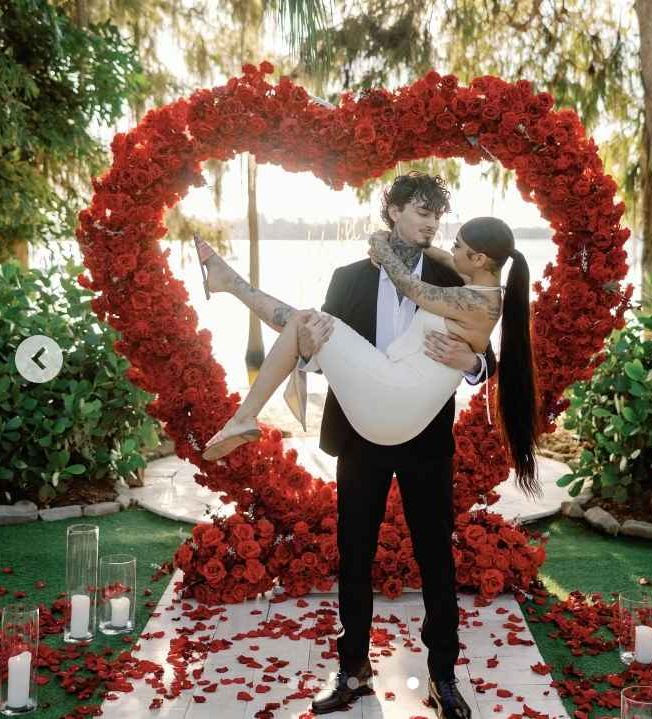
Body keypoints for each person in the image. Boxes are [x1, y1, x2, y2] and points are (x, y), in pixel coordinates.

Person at [193, 172, 540, 719]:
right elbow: (318, 350)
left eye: (436, 216)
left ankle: (443, 676)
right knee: (354, 553)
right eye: (421, 212)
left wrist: (471, 364)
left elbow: (489, 351)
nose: (431, 224)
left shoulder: (452, 273)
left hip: (425, 438)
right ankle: (351, 668)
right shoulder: (348, 277)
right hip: (361, 429)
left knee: (436, 561)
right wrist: (308, 354)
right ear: (395, 211)